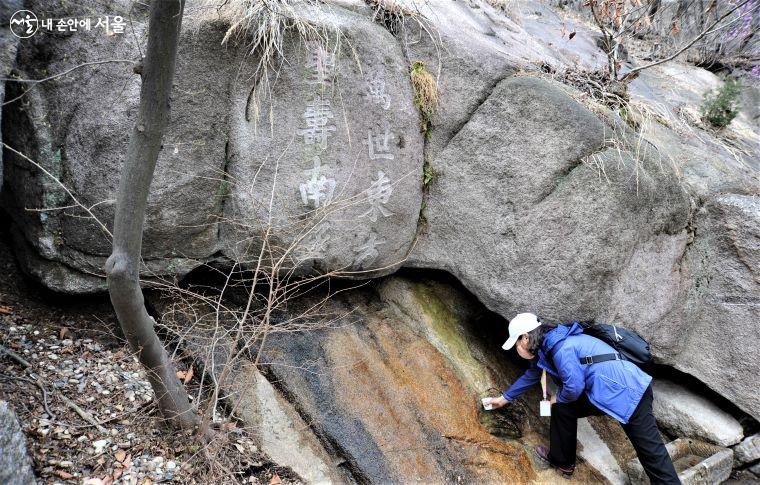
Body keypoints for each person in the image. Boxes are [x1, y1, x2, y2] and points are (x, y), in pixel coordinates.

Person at [484, 313, 680, 484]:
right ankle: (563, 461)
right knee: (563, 408)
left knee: (652, 455)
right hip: (607, 391)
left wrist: (556, 398)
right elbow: (532, 375)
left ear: (525, 338)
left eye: (516, 343)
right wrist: (503, 399)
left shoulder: (561, 348)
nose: (517, 348)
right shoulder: (548, 347)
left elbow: (574, 387)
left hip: (629, 392)